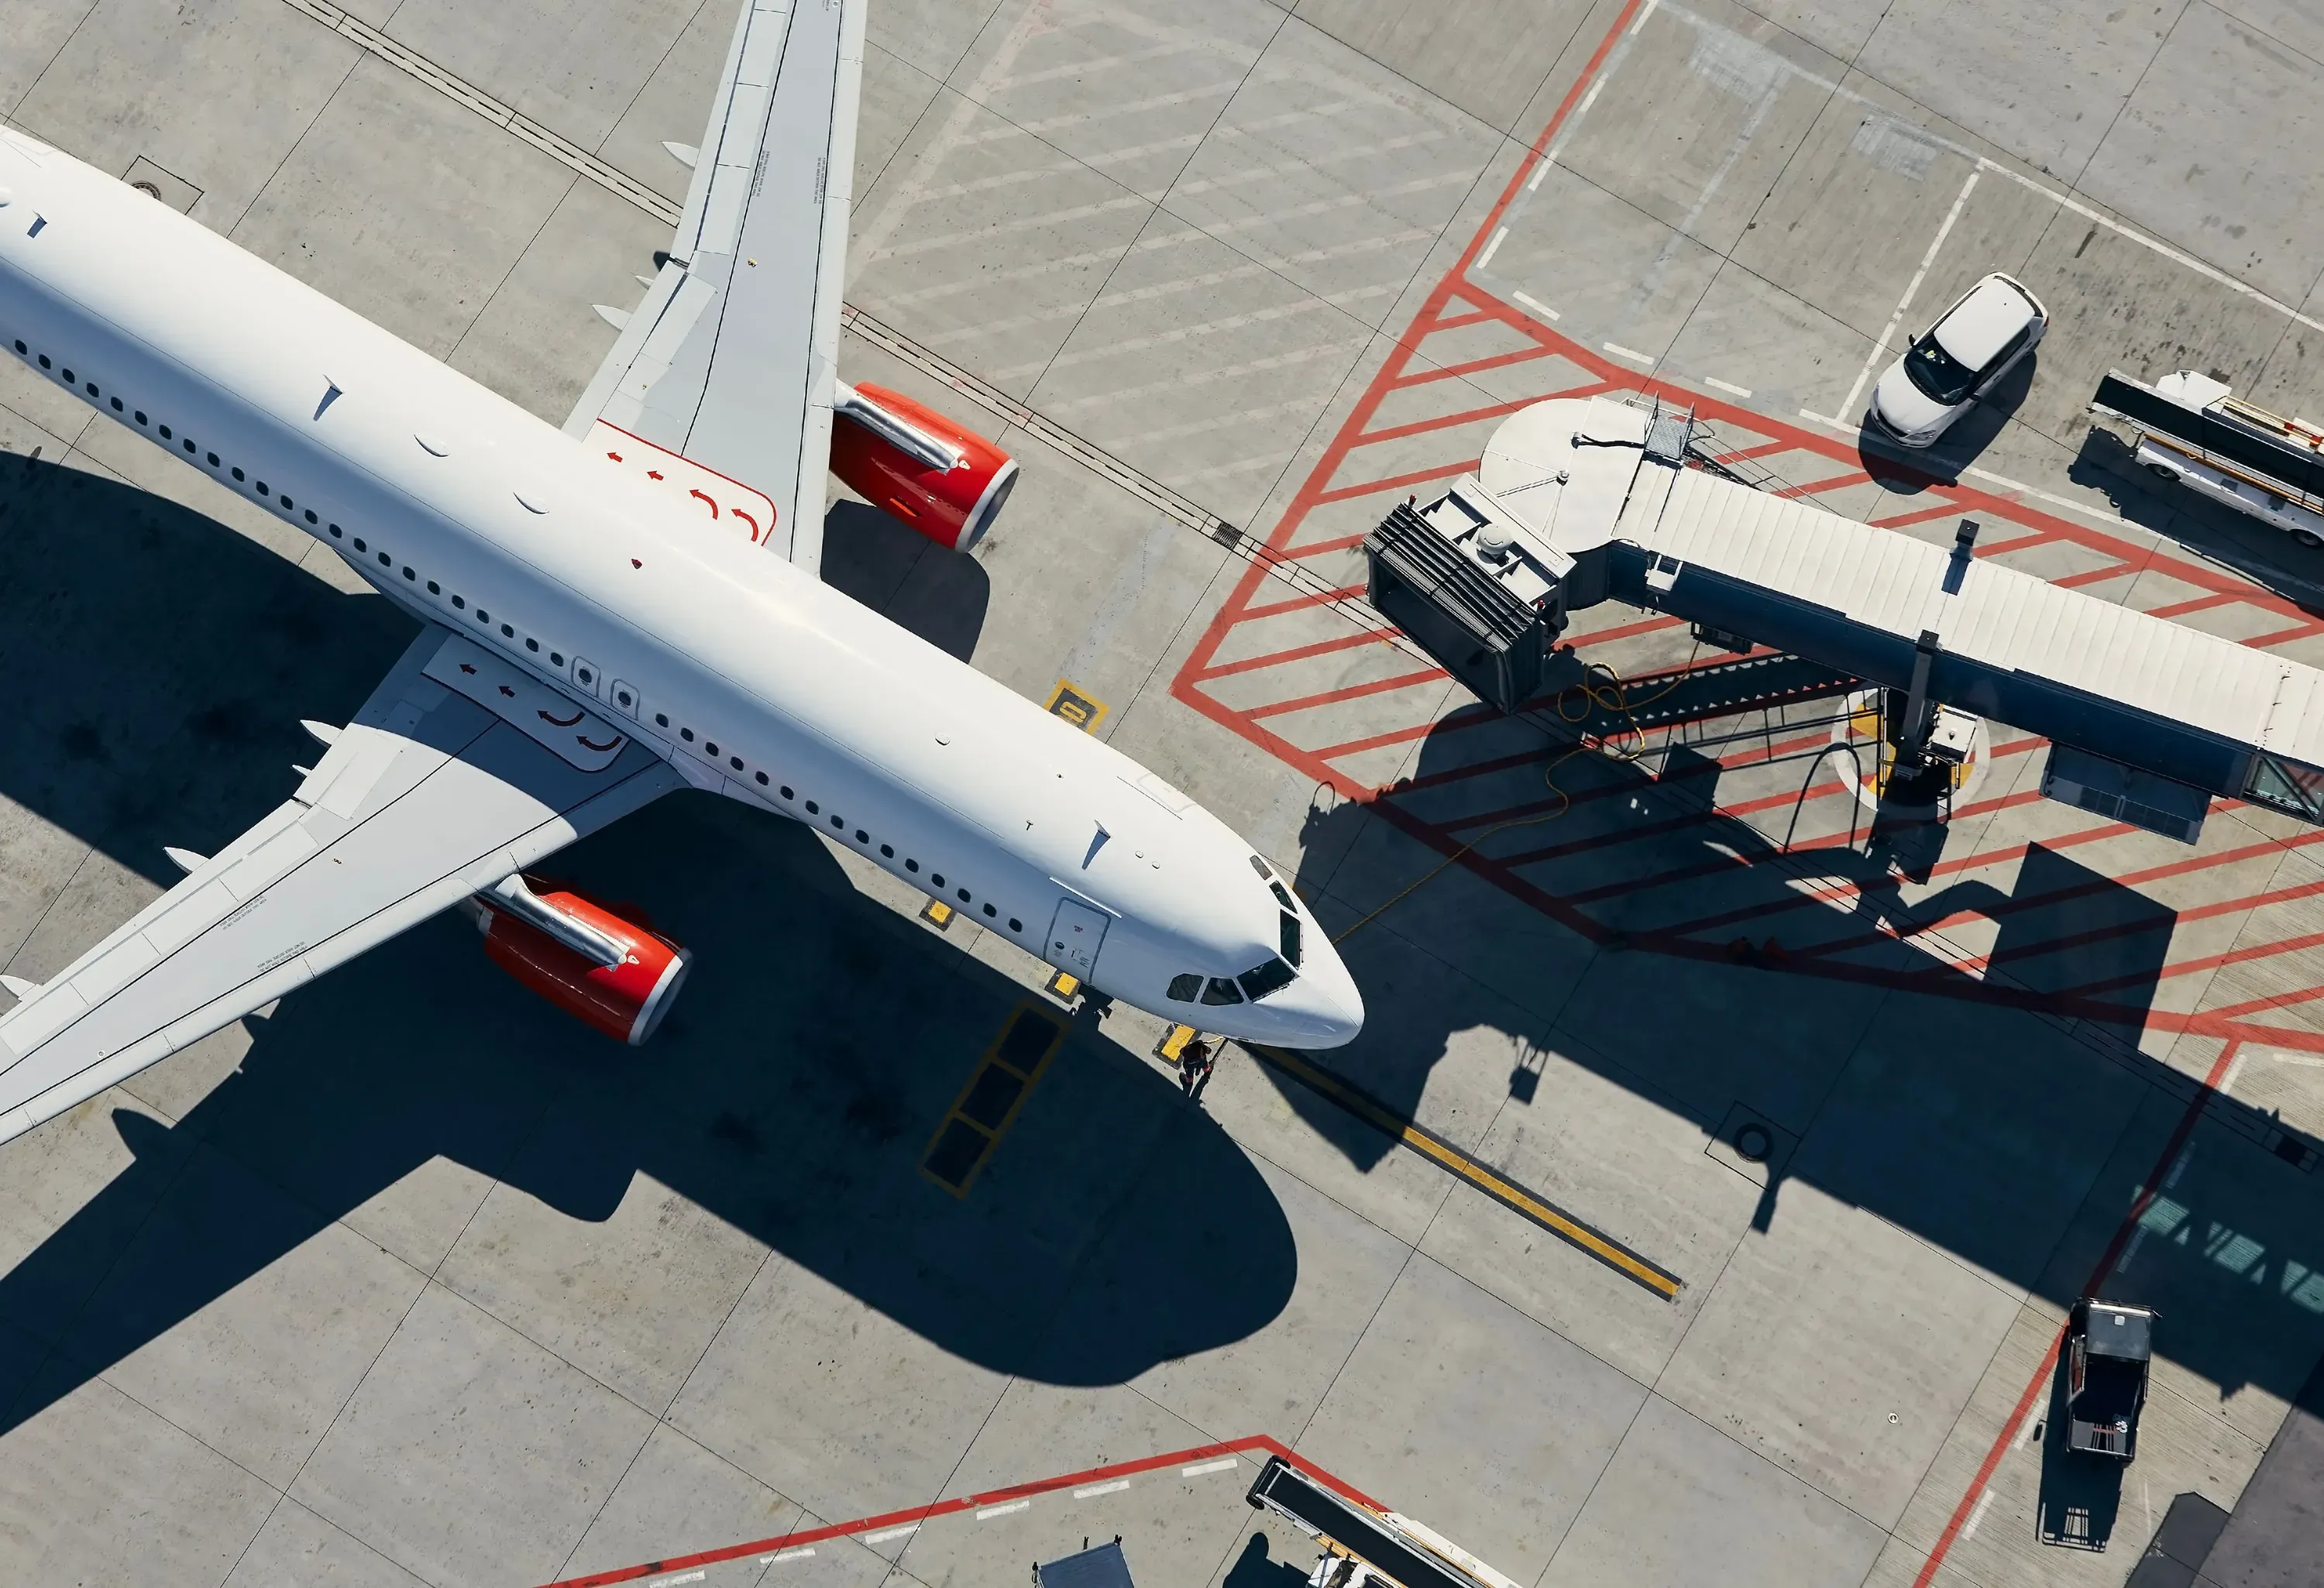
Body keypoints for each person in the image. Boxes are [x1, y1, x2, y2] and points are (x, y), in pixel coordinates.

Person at [1178, 1037, 1215, 1103]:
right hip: (1201, 1061)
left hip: (1189, 1064)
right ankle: (1207, 1070)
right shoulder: (1202, 1049)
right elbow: (1209, 1051)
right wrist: (1202, 1046)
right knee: (1204, 1064)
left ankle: (1189, 1082)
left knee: (1189, 1073)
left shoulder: (1188, 1050)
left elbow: (1181, 1051)